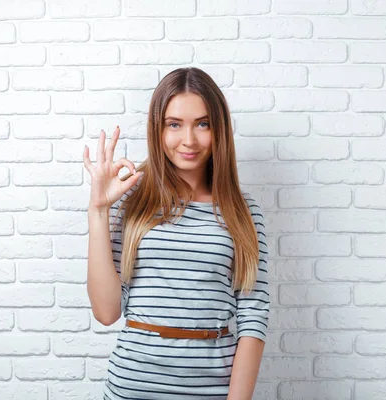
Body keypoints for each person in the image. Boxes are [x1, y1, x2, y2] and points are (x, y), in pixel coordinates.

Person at [83, 67, 269, 400]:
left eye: (203, 123)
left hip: (212, 391)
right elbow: (107, 312)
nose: (189, 140)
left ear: (219, 130)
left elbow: (253, 317)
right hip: (132, 387)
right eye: (174, 124)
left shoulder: (243, 211)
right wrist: (98, 211)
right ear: (158, 130)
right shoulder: (132, 199)